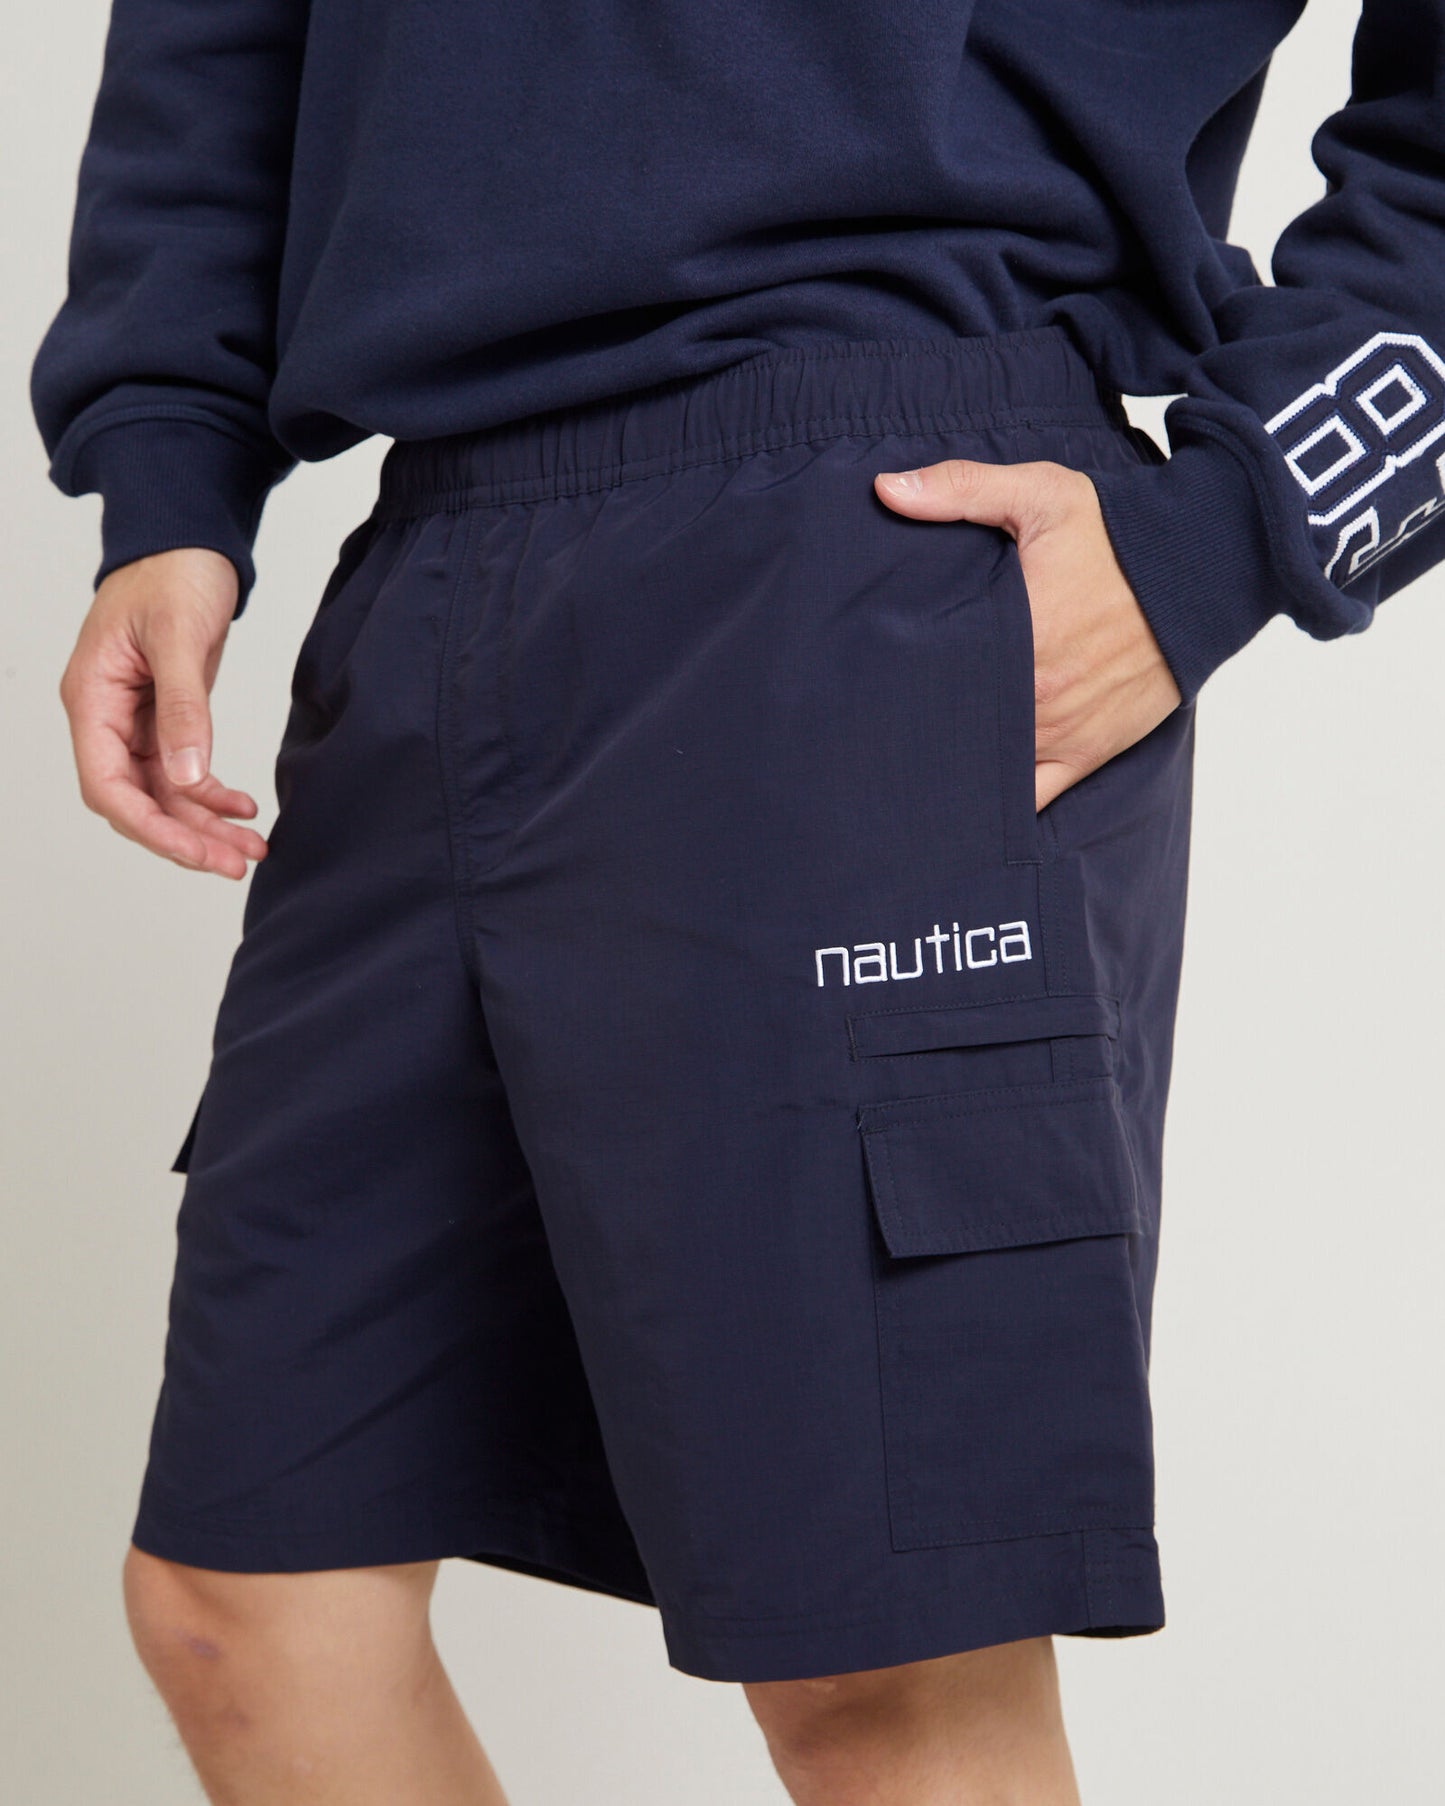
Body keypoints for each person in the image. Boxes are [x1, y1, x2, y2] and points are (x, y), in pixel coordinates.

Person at [29, 3, 1445, 1802]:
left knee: (883, 1666)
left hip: (879, 522)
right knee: (248, 1596)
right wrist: (167, 463)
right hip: (432, 556)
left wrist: (1227, 531)